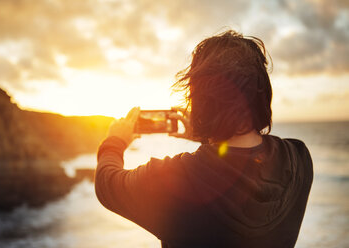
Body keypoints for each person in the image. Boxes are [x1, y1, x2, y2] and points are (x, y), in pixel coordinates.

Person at [94, 30, 313, 248]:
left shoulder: (174, 180)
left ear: (200, 100)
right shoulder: (299, 159)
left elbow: (107, 184)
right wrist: (206, 135)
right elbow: (238, 167)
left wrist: (116, 140)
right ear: (263, 92)